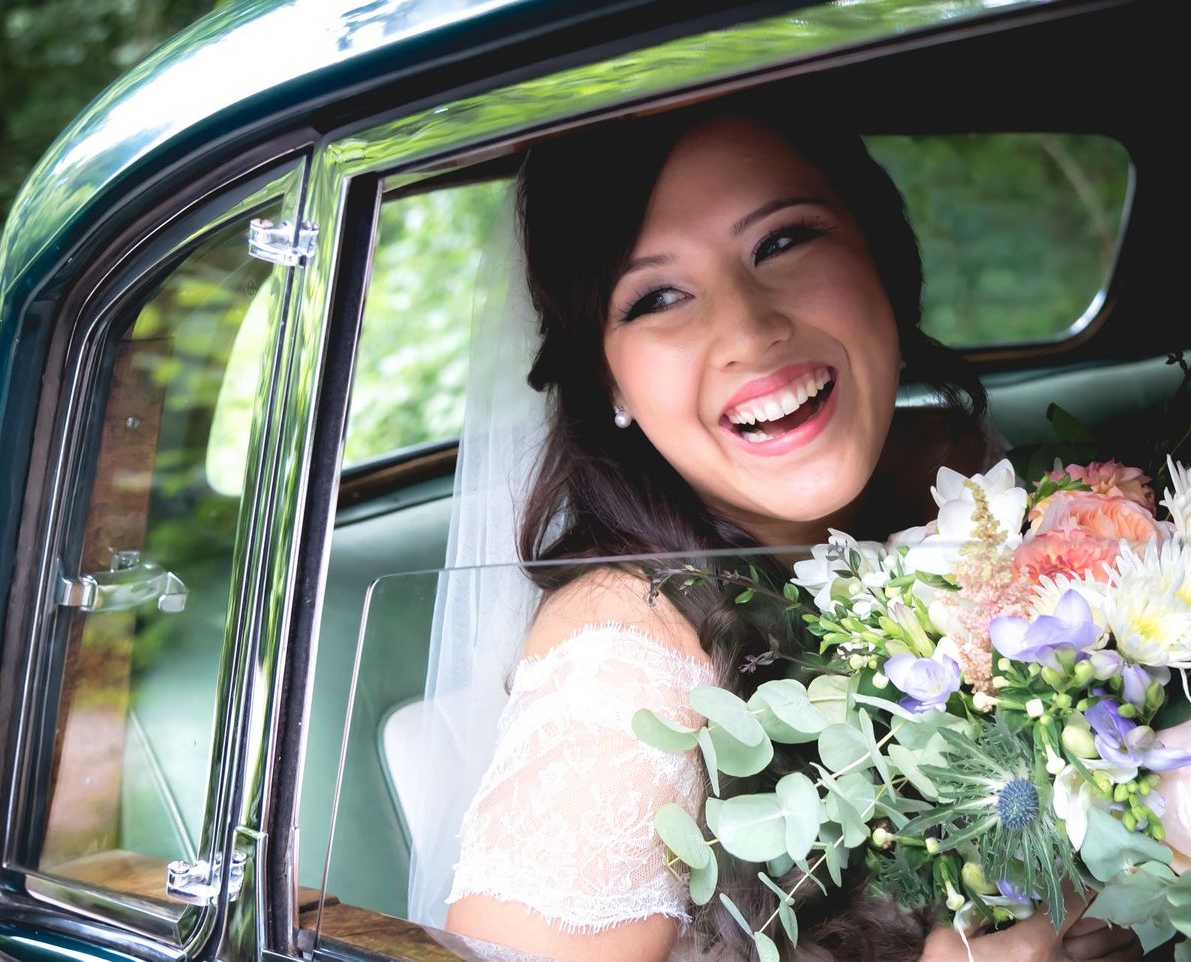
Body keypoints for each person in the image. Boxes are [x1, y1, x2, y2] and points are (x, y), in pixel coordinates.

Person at [430, 101, 1142, 962]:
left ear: (878, 256)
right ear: (606, 380)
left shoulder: (972, 496)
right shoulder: (623, 654)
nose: (748, 330)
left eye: (783, 242)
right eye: (657, 296)